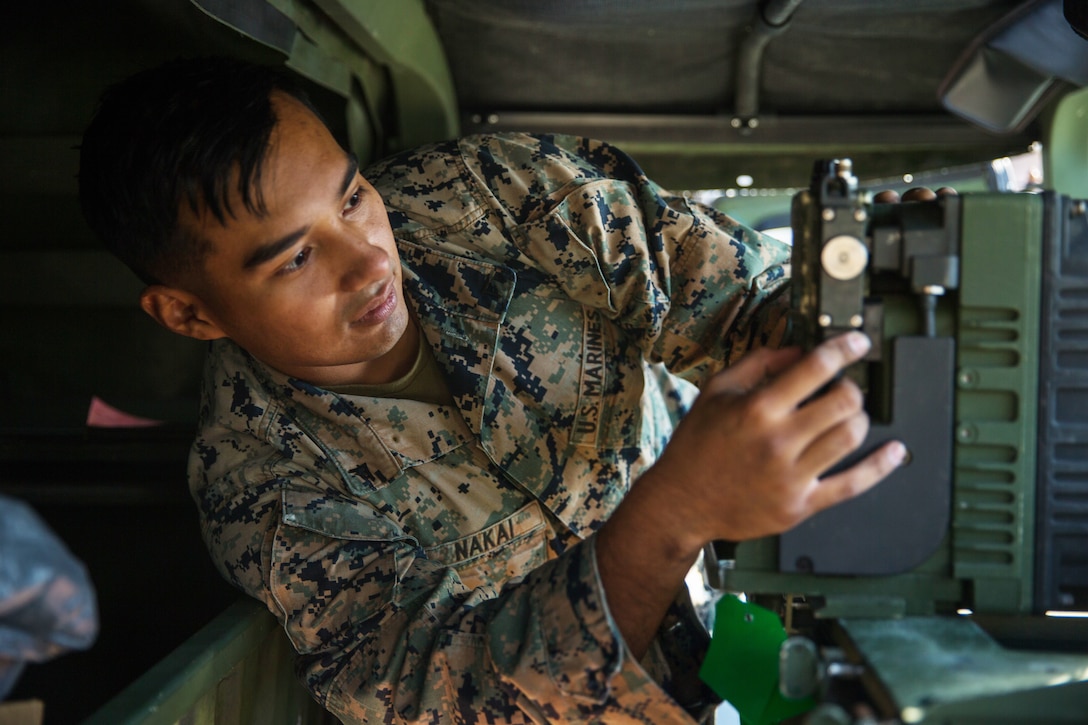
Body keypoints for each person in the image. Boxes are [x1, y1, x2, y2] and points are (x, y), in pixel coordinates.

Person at [78, 56, 905, 724]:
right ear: (187, 312)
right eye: (296, 257)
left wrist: (832, 350)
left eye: (354, 196)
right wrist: (679, 509)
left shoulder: (489, 196)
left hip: (750, 604)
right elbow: (455, 695)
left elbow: (731, 295)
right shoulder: (263, 483)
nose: (371, 258)